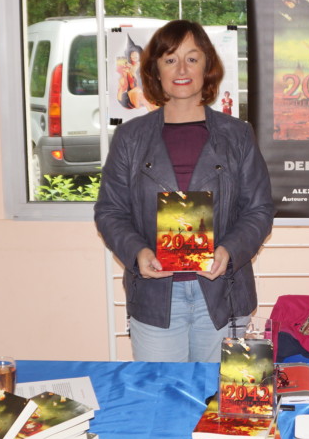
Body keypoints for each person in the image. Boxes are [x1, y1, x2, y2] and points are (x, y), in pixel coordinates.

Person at [94, 20, 275, 362]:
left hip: (224, 292)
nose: (181, 69)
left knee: (219, 403)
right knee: (163, 399)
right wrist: (137, 253)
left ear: (207, 66)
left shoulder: (238, 135)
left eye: (192, 58)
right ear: (154, 70)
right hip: (155, 294)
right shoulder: (130, 138)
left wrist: (229, 251)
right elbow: (110, 211)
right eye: (170, 59)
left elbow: (259, 209)